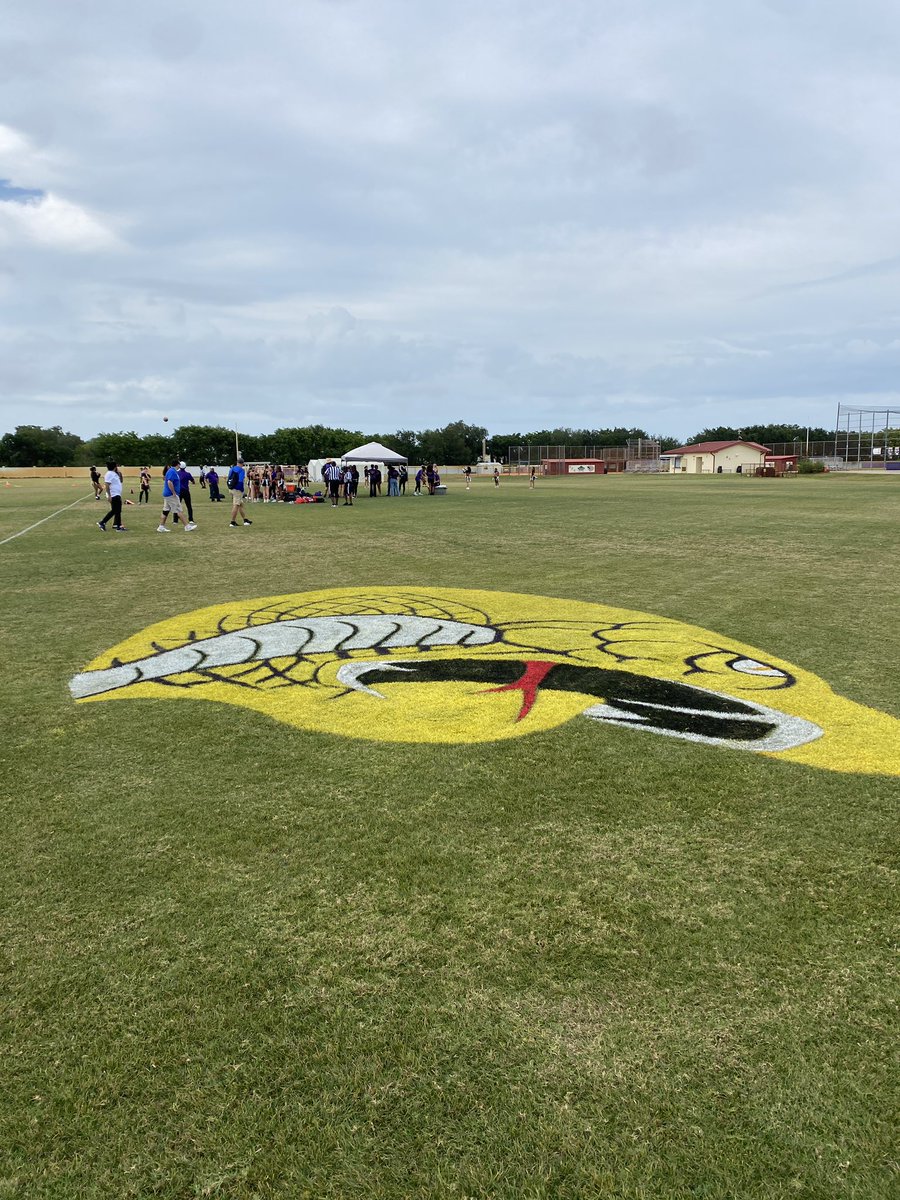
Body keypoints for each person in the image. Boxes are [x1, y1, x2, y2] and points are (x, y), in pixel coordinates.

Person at [158, 457, 197, 533]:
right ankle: (187, 526)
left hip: (167, 494)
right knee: (179, 510)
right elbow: (169, 482)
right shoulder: (172, 471)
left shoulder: (171, 471)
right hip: (170, 495)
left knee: (165, 511)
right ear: (177, 464)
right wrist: (173, 493)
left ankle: (161, 526)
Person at [97, 460, 127, 531]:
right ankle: (116, 526)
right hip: (114, 495)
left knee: (116, 511)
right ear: (115, 467)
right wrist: (109, 495)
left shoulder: (114, 473)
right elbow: (107, 485)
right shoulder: (109, 474)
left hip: (117, 494)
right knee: (116, 510)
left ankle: (106, 523)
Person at [227, 457, 252, 527]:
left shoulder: (232, 468)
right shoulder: (241, 470)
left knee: (240, 504)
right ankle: (232, 522)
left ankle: (245, 520)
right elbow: (240, 481)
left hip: (231, 488)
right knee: (236, 505)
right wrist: (241, 490)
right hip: (237, 489)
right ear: (242, 463)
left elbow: (229, 478)